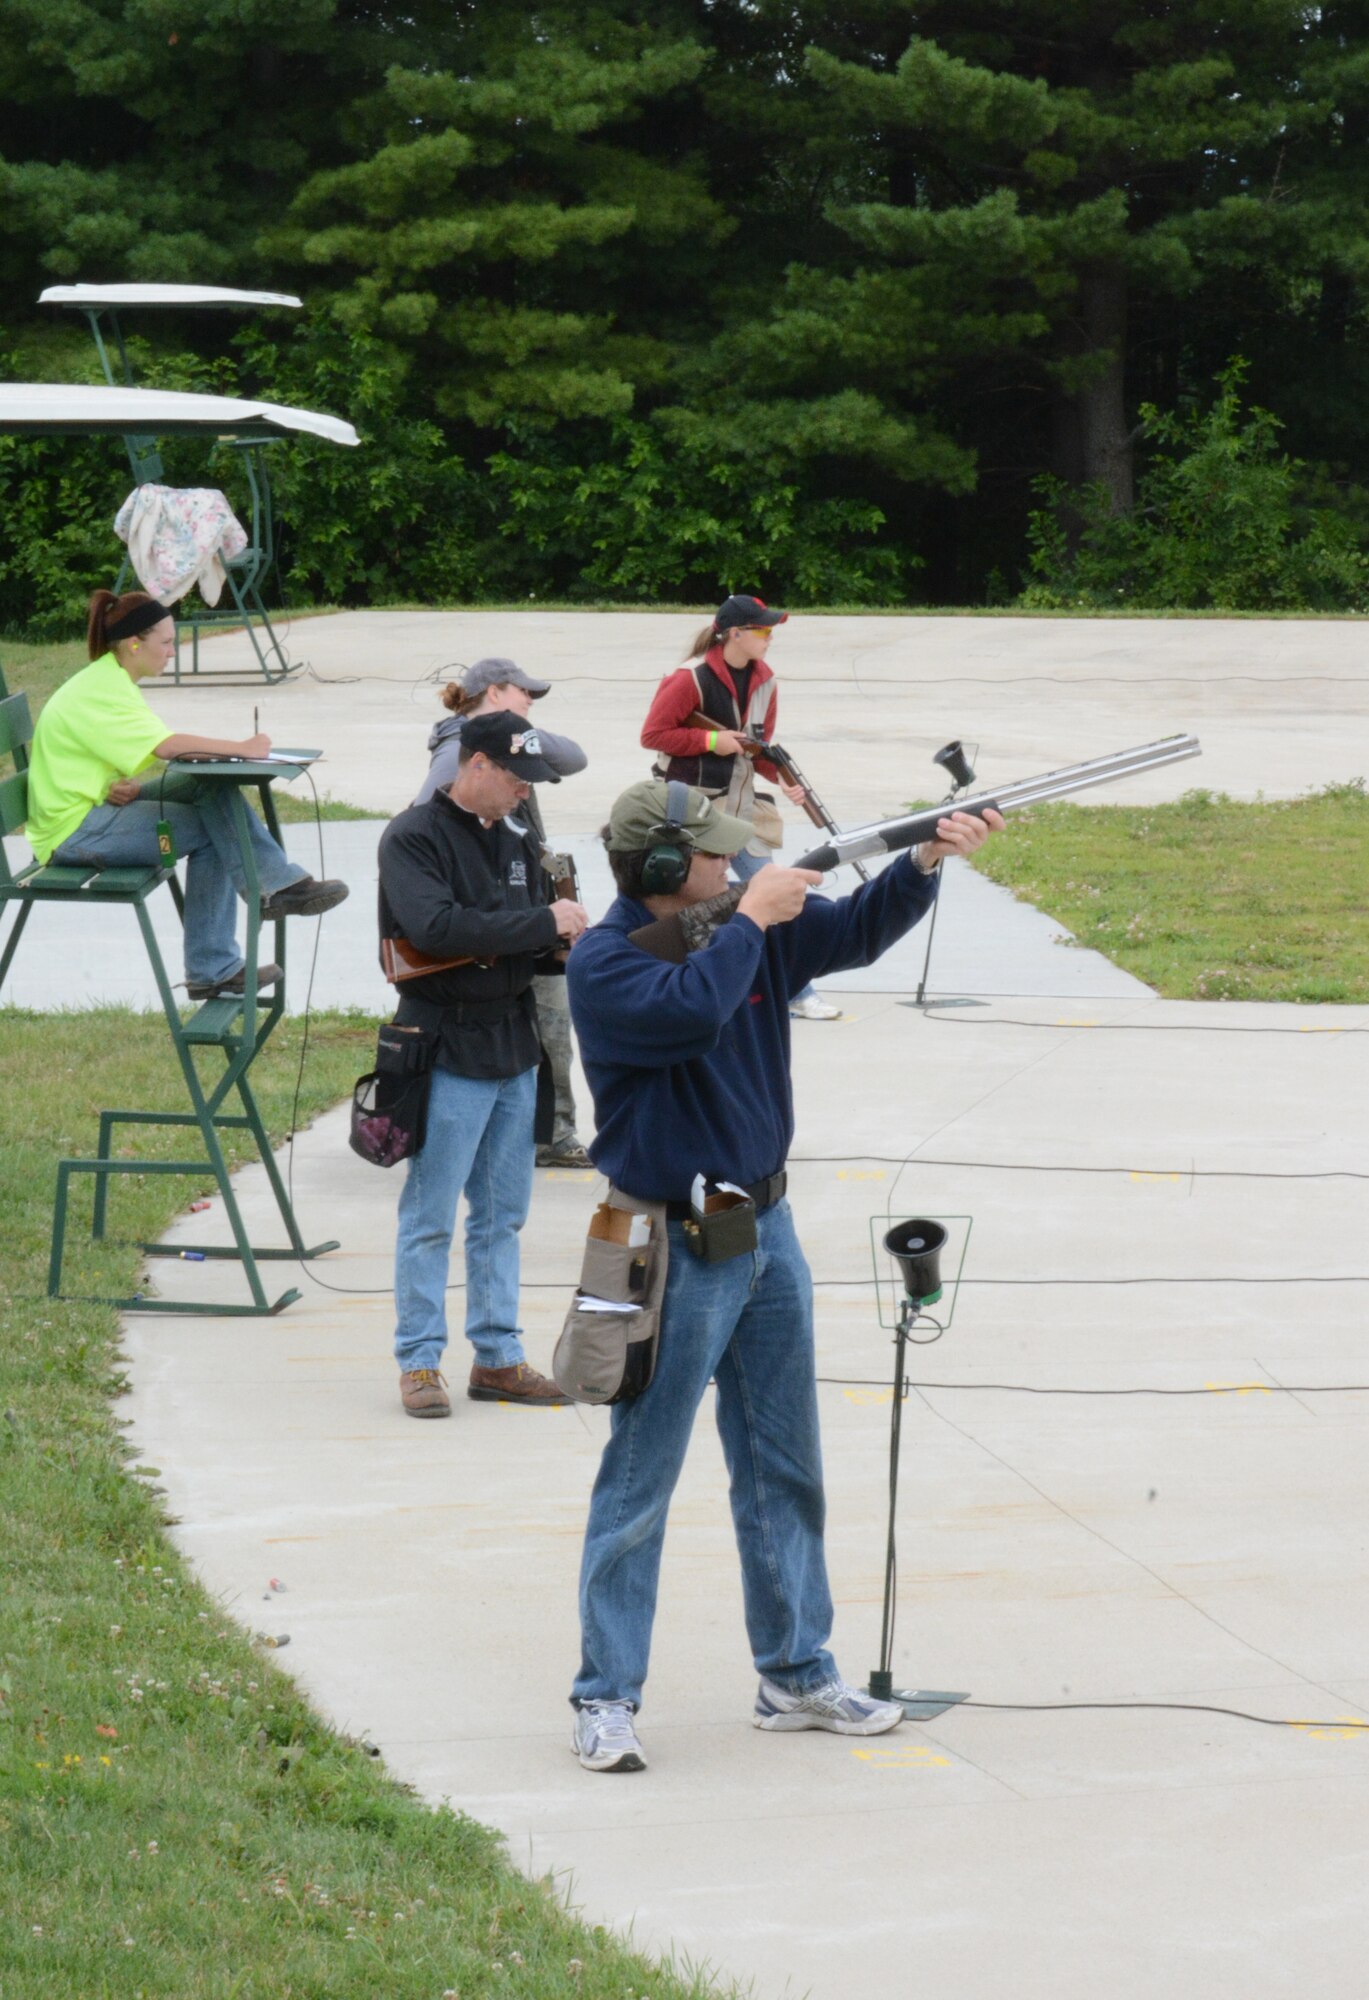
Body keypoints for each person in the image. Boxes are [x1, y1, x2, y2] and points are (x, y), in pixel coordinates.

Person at [563, 777, 1003, 1773]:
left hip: (765, 1225)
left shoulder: (738, 925)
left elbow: (848, 935)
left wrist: (924, 858)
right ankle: (604, 1693)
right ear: (668, 870)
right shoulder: (605, 962)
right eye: (717, 855)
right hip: (669, 1240)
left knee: (784, 1466)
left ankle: (797, 1669)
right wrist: (749, 920)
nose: (739, 862)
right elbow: (688, 1012)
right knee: (641, 1473)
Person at [379, 707, 590, 1419]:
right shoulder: (412, 838)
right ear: (475, 765)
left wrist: (563, 940)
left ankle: (498, 1356)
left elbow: (524, 936)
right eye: (515, 776)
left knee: (502, 1218)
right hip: (445, 1044)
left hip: (512, 1043)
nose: (525, 791)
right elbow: (432, 928)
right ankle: (419, 1361)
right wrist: (541, 925)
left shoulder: (518, 841)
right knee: (430, 1215)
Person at [23, 590, 348, 999]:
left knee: (208, 786)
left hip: (92, 809)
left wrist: (106, 784)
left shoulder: (108, 679)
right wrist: (242, 748)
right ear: (133, 643)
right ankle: (227, 950)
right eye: (167, 643)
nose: (173, 653)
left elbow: (78, 753)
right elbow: (169, 748)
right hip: (74, 833)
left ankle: (268, 897)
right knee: (215, 827)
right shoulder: (102, 689)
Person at [415, 657, 593, 1169]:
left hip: (526, 914)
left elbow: (575, 757)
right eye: (524, 695)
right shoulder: (456, 752)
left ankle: (546, 1133)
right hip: (502, 922)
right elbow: (426, 817)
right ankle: (548, 1136)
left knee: (549, 1025)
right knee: (545, 1024)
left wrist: (518, 735)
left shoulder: (499, 743)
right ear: (493, 692)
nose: (532, 702)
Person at [640, 592, 840, 1021]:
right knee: (679, 901)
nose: (770, 638)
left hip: (740, 811)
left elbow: (756, 749)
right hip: (691, 814)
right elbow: (654, 735)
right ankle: (665, 981)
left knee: (774, 892)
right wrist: (711, 740)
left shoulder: (766, 682)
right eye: (763, 630)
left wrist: (785, 782)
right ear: (735, 633)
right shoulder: (687, 678)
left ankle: (797, 990)